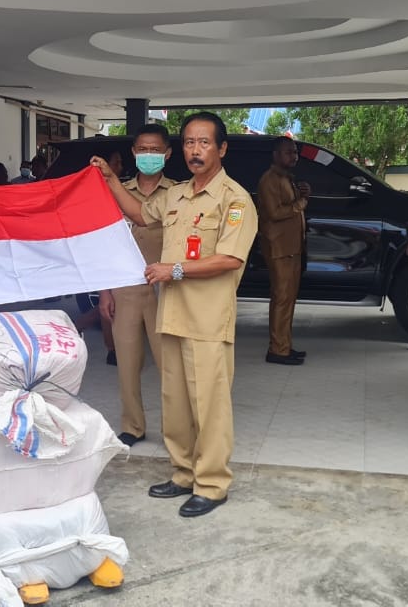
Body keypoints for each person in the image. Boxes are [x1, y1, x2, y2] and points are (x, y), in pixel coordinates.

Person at [91, 112, 258, 518]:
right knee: (176, 402)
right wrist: (111, 180)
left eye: (204, 143)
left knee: (209, 405)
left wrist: (175, 270)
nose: (195, 150)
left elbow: (230, 258)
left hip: (207, 319)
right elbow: (139, 214)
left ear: (221, 149)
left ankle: (212, 483)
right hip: (173, 316)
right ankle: (183, 473)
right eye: (189, 143)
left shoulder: (235, 199)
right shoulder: (176, 195)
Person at [97, 124, 176, 446]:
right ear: (133, 152)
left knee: (170, 366)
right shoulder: (116, 191)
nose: (148, 155)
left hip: (165, 291)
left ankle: (175, 430)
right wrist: (105, 292)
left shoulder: (177, 193)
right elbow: (105, 244)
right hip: (125, 290)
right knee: (127, 364)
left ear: (167, 154)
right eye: (142, 149)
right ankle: (132, 426)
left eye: (155, 150)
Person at [256, 136, 309, 365]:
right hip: (279, 247)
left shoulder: (287, 178)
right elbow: (274, 213)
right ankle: (277, 350)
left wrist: (302, 193)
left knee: (288, 299)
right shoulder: (269, 179)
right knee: (281, 298)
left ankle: (284, 345)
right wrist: (301, 203)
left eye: (295, 152)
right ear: (276, 155)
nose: (294, 156)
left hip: (292, 246)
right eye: (289, 152)